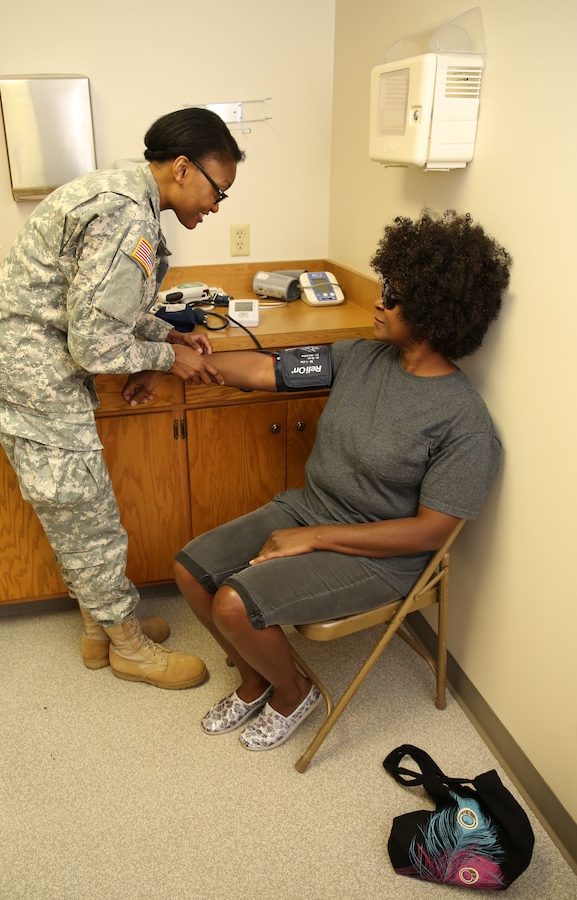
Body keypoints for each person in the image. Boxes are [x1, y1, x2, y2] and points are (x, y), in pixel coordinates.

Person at [170, 209, 512, 749]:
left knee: (235, 603)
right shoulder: (360, 356)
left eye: (395, 295)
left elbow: (429, 534)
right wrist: (181, 357)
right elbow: (267, 370)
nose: (380, 300)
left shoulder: (464, 422)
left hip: (382, 557)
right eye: (385, 286)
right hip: (309, 508)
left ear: (436, 311)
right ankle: (255, 678)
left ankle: (292, 693)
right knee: (192, 570)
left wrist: (314, 538)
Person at [0, 108, 245, 689]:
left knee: (79, 512)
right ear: (183, 167)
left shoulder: (121, 195)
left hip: (34, 370)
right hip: (34, 380)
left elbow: (103, 308)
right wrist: (173, 360)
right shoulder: (128, 218)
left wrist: (164, 333)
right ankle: (128, 648)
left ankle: (101, 630)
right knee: (89, 518)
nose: (218, 206)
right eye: (218, 190)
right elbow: (94, 344)